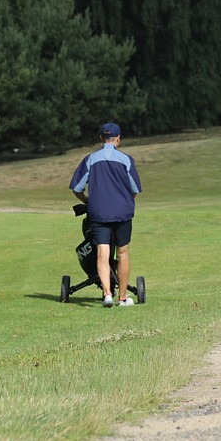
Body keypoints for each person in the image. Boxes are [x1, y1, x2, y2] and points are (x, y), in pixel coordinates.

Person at [70, 123, 142, 307]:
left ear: (101, 138)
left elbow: (76, 188)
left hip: (99, 212)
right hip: (122, 212)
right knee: (123, 251)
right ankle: (123, 297)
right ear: (118, 139)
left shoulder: (91, 159)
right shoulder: (126, 160)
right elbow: (135, 189)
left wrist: (88, 201)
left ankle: (107, 294)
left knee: (102, 252)